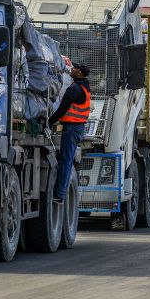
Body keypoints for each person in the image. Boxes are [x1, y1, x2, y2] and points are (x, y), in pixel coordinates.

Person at [48, 63, 92, 203]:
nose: (71, 70)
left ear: (79, 72)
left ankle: (60, 195)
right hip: (78, 129)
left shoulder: (74, 89)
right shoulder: (84, 87)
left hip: (72, 128)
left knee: (66, 161)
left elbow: (62, 109)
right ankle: (61, 191)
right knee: (66, 160)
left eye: (74, 69)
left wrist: (48, 122)